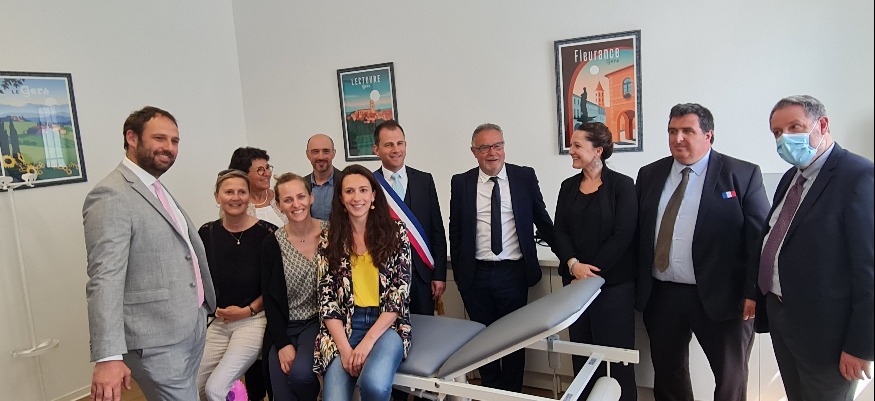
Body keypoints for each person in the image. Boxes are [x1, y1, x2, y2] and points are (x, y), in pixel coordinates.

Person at [635, 103, 769, 401]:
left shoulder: (741, 174)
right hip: (662, 295)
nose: (678, 138)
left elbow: (758, 238)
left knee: (730, 378)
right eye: (672, 131)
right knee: (668, 375)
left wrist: (753, 291)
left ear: (708, 135)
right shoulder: (649, 174)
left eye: (687, 131)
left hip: (724, 296)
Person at [83, 106, 216, 401]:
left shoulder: (154, 187)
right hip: (155, 339)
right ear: (132, 138)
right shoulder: (111, 195)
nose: (169, 148)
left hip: (190, 324)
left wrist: (201, 310)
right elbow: (104, 278)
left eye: (174, 141)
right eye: (159, 138)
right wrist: (108, 356)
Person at [755, 95, 873, 401]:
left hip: (828, 333)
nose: (785, 138)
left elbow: (869, 270)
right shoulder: (791, 178)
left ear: (822, 125)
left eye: (794, 127)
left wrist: (861, 346)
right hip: (784, 314)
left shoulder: (858, 176)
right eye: (777, 132)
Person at [448, 123, 555, 392]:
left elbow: (543, 221)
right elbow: (455, 230)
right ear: (474, 152)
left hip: (513, 274)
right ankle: (490, 391)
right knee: (482, 339)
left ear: (504, 147)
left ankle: (512, 393)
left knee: (514, 340)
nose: (492, 153)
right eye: (484, 147)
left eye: (497, 145)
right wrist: (460, 275)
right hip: (475, 276)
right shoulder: (461, 182)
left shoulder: (524, 177)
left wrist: (570, 259)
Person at [314, 164, 412, 401]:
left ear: (373, 195)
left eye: (363, 190)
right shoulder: (329, 238)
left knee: (374, 386)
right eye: (349, 191)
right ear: (341, 198)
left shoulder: (396, 232)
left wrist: (367, 343)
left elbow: (398, 294)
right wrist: (345, 350)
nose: (357, 197)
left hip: (387, 326)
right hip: (345, 327)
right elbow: (326, 299)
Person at [554, 122, 637, 401]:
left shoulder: (622, 186)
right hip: (575, 288)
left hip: (613, 288)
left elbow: (623, 234)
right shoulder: (567, 187)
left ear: (598, 150)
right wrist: (573, 265)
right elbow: (559, 231)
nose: (571, 151)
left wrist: (589, 273)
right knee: (582, 355)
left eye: (577, 145)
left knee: (615, 360)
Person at [196, 170, 276, 401]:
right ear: (217, 196)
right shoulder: (207, 233)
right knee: (192, 388)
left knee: (215, 389)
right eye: (229, 192)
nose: (235, 197)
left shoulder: (269, 233)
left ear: (249, 196)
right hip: (219, 322)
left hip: (253, 320)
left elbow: (275, 286)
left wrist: (248, 310)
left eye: (242, 192)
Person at [372, 120, 447, 316]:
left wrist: (439, 275)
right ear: (376, 149)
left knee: (426, 330)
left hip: (423, 277)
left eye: (400, 143)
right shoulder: (369, 184)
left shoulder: (425, 180)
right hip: (384, 278)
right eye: (388, 145)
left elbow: (437, 231)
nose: (396, 150)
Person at [262, 173, 325, 401]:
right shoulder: (272, 243)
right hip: (285, 324)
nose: (296, 204)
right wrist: (283, 344)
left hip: (318, 322)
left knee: (302, 376)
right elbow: (270, 298)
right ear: (279, 206)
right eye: (288, 200)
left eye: (301, 196)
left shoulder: (332, 234)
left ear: (311, 198)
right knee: (281, 393)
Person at [228, 146, 286, 227]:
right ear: (243, 175)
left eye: (267, 168)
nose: (267, 174)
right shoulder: (236, 206)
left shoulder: (280, 197)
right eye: (260, 170)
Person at [304, 133, 343, 221]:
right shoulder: (301, 185)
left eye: (326, 151)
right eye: (315, 152)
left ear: (334, 153)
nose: (320, 157)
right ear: (307, 154)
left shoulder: (345, 181)